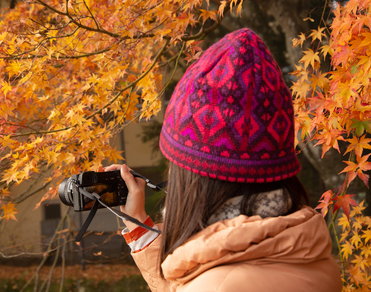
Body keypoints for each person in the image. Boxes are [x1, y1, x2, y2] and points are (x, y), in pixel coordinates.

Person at [105, 28, 342, 292]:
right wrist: (140, 227)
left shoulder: (219, 284)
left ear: (195, 173)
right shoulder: (303, 249)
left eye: (176, 163)